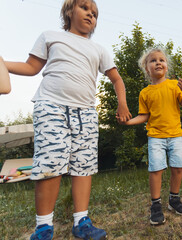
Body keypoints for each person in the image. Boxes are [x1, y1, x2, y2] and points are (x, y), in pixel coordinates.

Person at [4, 0, 131, 239]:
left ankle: (81, 221)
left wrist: (122, 103)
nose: (90, 15)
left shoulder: (99, 49)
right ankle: (43, 227)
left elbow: (117, 79)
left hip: (85, 112)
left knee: (84, 166)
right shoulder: (51, 36)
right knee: (51, 163)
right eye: (85, 8)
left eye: (94, 13)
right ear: (69, 10)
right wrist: (3, 63)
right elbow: (31, 67)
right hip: (51, 106)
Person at [122, 47, 182, 225]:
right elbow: (144, 116)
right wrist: (128, 122)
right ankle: (155, 205)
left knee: (177, 168)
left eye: (161, 60)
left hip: (176, 135)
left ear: (166, 67)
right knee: (156, 170)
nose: (158, 62)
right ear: (147, 68)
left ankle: (174, 200)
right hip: (155, 137)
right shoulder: (145, 93)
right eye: (153, 60)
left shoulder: (174, 85)